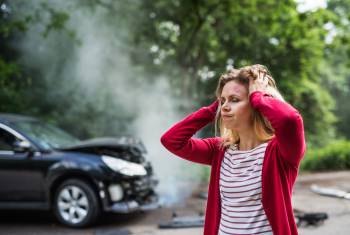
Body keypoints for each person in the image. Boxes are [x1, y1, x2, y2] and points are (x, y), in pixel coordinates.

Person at [160, 64, 306, 235]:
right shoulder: (220, 150)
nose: (225, 107)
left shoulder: (280, 152)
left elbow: (289, 119)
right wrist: (212, 110)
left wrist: (259, 96)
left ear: (256, 105)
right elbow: (171, 140)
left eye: (235, 100)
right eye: (223, 101)